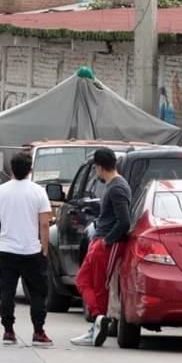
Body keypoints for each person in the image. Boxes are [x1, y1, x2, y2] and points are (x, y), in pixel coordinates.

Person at [0, 151, 53, 347]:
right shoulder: (38, 191)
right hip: (31, 250)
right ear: (30, 169)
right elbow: (44, 224)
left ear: (11, 169)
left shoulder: (0, 191)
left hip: (7, 250)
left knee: (7, 291)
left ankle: (8, 330)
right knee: (38, 293)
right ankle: (38, 331)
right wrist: (45, 248)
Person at [71, 148, 132, 347]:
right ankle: (98, 319)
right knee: (82, 281)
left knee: (99, 286)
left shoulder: (117, 188)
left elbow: (124, 221)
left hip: (106, 243)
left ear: (98, 167)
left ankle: (98, 323)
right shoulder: (113, 185)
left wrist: (107, 240)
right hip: (99, 240)